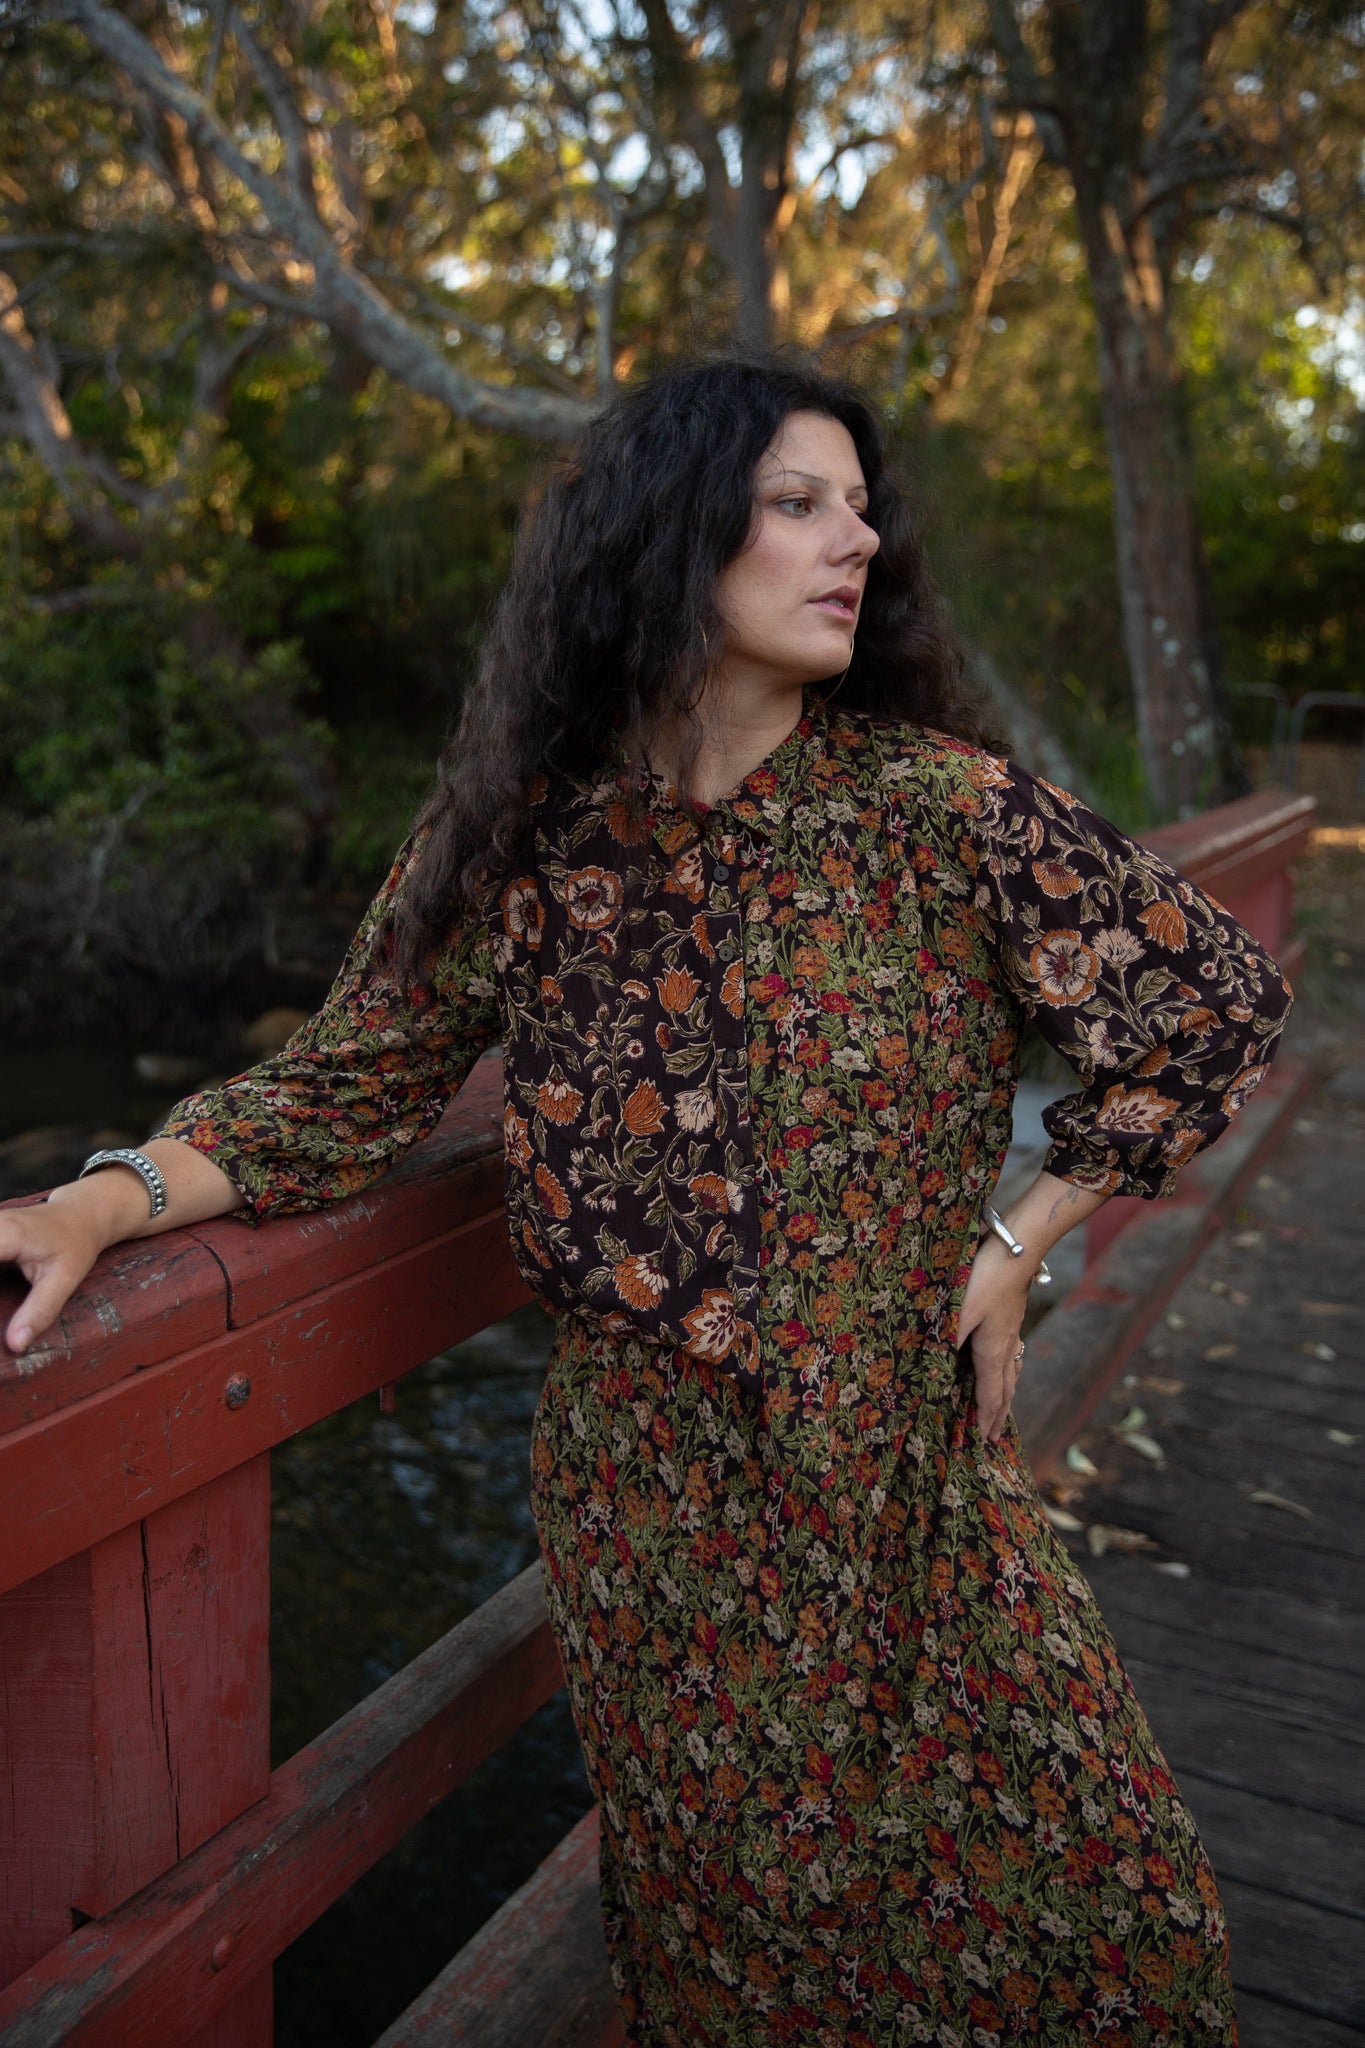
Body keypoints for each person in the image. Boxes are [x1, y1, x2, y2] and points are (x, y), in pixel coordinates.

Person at [2, 355, 1290, 2045]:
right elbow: (335, 1093)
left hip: (901, 1473)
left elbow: (1212, 1006)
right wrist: (102, 1201)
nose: (858, 541)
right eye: (796, 504)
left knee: (1110, 1929)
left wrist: (1016, 1238)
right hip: (655, 1514)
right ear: (671, 537)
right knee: (748, 1969)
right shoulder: (522, 838)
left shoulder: (941, 812)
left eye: (860, 508)